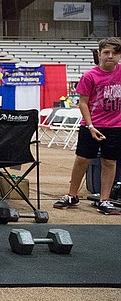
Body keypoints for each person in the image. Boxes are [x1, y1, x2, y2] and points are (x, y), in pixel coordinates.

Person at [53, 37, 121, 215]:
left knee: (109, 162)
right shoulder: (90, 76)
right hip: (92, 125)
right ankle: (72, 195)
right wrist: (90, 126)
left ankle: (104, 200)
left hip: (115, 127)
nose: (110, 56)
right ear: (99, 54)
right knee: (82, 159)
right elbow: (83, 103)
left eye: (115, 53)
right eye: (106, 52)